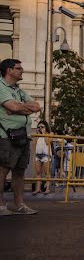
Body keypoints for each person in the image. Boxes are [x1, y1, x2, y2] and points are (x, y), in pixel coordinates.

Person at [0, 58, 42, 217]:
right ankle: (1, 205)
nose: (22, 70)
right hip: (6, 136)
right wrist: (19, 107)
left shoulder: (18, 90)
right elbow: (13, 106)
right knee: (2, 171)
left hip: (23, 135)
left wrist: (19, 109)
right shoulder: (1, 86)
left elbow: (36, 106)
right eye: (18, 68)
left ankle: (19, 205)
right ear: (9, 70)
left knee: (19, 171)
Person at [32, 121, 51, 195]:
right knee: (38, 172)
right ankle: (38, 189)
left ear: (46, 127)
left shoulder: (50, 134)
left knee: (47, 172)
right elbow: (34, 144)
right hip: (38, 154)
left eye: (42, 127)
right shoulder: (37, 135)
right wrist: (37, 135)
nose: (40, 128)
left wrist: (43, 133)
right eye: (39, 127)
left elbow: (47, 142)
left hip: (46, 154)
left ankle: (47, 189)